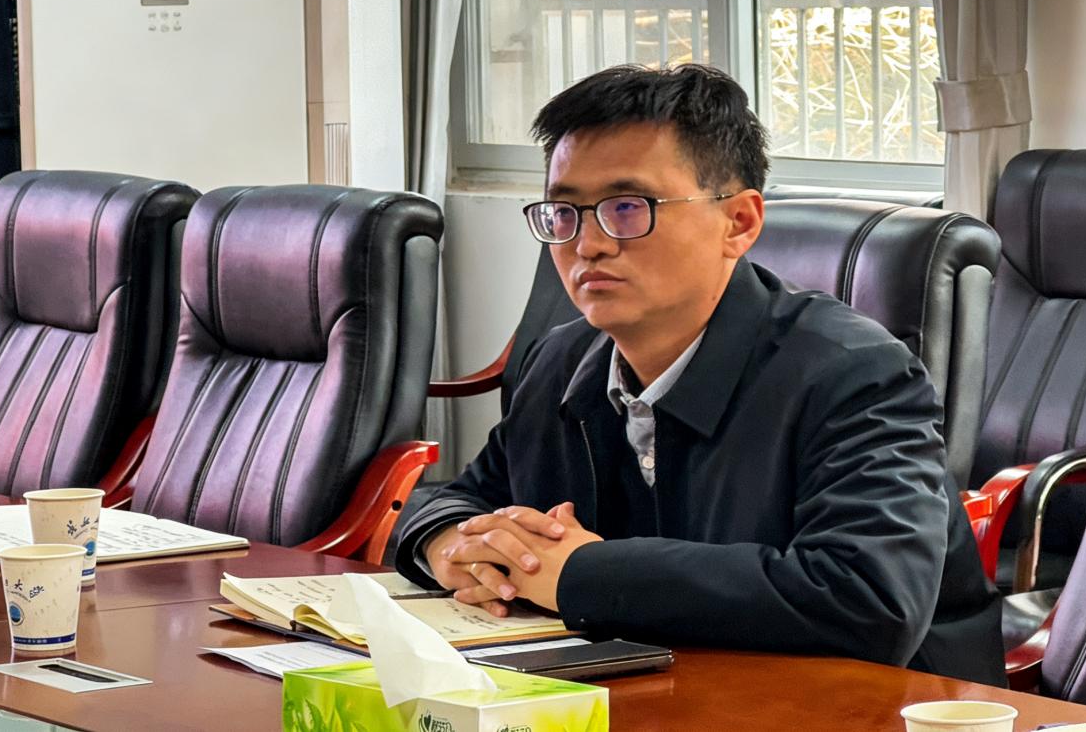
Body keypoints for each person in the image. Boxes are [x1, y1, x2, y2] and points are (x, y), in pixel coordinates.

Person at [394, 64, 1003, 683]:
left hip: (873, 708)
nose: (588, 244)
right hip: (648, 693)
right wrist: (448, 542)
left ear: (739, 223)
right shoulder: (561, 359)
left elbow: (869, 600)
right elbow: (462, 498)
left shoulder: (855, 375)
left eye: (626, 208)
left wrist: (583, 574)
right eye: (564, 212)